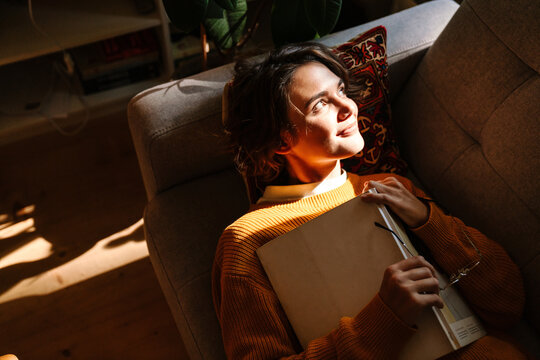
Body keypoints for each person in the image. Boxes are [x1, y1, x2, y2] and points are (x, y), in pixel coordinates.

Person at [212, 42, 526, 359]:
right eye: (319, 105)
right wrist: (384, 318)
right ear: (280, 140)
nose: (348, 108)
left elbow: (508, 305)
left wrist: (429, 222)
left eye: (342, 91)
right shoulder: (248, 241)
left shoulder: (390, 189)